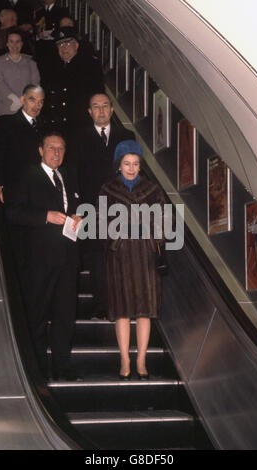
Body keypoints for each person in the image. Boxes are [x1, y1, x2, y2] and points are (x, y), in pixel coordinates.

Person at [6, 131, 81, 380]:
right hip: (38, 260)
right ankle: (36, 371)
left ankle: (62, 367)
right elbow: (13, 213)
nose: (56, 152)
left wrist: (81, 216)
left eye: (61, 148)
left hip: (68, 259)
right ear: (41, 150)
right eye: (51, 148)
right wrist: (44, 216)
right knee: (36, 315)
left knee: (65, 314)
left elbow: (79, 205)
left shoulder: (68, 176)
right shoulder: (27, 175)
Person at [98, 140, 166, 379]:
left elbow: (164, 222)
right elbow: (101, 223)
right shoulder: (107, 189)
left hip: (146, 256)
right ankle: (125, 359)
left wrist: (147, 233)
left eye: (135, 163)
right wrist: (119, 237)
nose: (131, 168)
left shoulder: (153, 189)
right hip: (120, 257)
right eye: (126, 163)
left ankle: (142, 360)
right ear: (119, 165)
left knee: (145, 311)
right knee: (123, 311)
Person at [70, 93, 135, 317]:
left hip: (121, 208)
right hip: (92, 208)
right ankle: (102, 305)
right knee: (97, 259)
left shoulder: (127, 137)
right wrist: (78, 209)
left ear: (112, 110)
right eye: (95, 106)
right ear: (89, 112)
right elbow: (74, 174)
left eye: (105, 106)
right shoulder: (79, 138)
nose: (100, 110)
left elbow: (135, 173)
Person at [0, 84, 45, 204]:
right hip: (14, 190)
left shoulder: (46, 127)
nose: (37, 106)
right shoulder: (5, 122)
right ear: (22, 100)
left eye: (41, 102)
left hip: (40, 190)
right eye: (32, 100)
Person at [41, 26, 104, 136]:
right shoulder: (52, 68)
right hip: (56, 126)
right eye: (60, 44)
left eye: (67, 43)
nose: (63, 47)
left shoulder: (89, 66)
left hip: (80, 126)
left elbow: (97, 96)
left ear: (76, 45)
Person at [0, 27, 40, 125]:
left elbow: (35, 83)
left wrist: (26, 100)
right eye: (11, 41)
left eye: (17, 42)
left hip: (26, 107)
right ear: (7, 44)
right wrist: (13, 99)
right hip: (5, 107)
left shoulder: (31, 62)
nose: (14, 45)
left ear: (22, 44)